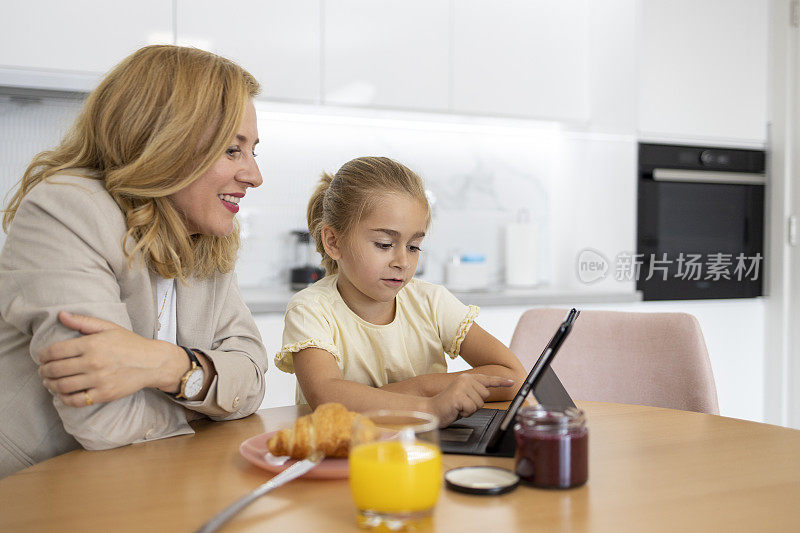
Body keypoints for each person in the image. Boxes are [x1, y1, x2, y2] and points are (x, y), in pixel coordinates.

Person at [0, 45, 268, 478]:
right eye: (232, 151)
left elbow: (253, 376)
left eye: (254, 151)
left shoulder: (202, 235)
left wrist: (163, 365)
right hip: (35, 490)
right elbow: (104, 421)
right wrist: (206, 396)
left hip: (138, 484)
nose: (254, 175)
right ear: (166, 140)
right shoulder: (67, 209)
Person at [275, 156, 528, 427]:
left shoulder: (432, 302)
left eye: (413, 246)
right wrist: (427, 402)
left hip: (418, 451)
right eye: (384, 244)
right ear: (333, 242)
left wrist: (423, 385)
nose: (403, 262)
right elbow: (327, 396)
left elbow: (513, 376)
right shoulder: (311, 309)